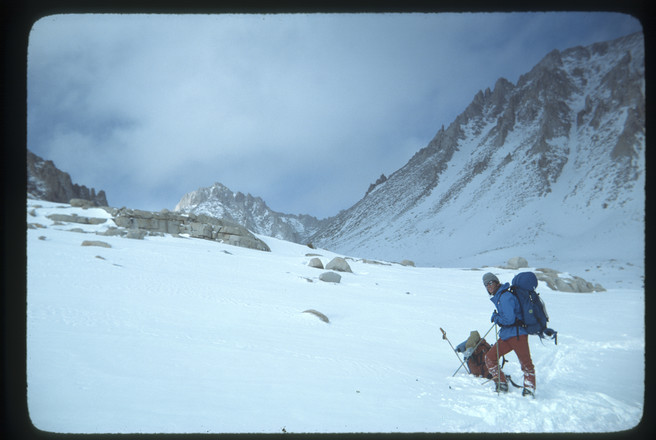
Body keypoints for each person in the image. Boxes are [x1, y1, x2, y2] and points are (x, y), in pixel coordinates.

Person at [482, 272, 536, 396]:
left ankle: (529, 389)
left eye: (490, 282)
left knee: (526, 363)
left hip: (517, 335)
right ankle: (501, 383)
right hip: (508, 335)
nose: (489, 286)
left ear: (496, 282)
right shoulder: (500, 296)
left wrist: (496, 318)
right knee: (490, 357)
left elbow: (509, 320)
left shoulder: (505, 297)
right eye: (486, 284)